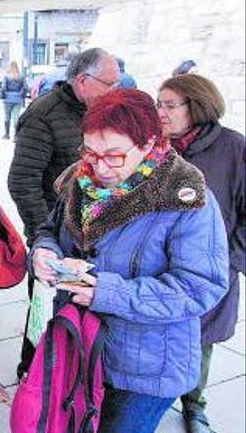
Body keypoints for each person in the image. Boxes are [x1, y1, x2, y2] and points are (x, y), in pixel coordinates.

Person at [30, 88, 228, 433]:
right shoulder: (83, 176)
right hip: (82, 345)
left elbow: (201, 287)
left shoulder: (186, 199)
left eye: (115, 156)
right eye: (90, 152)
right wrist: (44, 251)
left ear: (150, 142)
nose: (100, 166)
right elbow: (51, 228)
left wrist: (105, 292)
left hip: (144, 369)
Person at [8, 47, 120, 378]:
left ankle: (73, 378)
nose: (116, 90)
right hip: (56, 242)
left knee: (82, 313)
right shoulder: (44, 115)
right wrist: (45, 236)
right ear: (83, 81)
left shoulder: (104, 113)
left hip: (96, 240)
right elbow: (22, 180)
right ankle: (32, 375)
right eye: (110, 83)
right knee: (47, 313)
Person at [157, 74, 245, 433]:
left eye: (169, 105)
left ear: (197, 106)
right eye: (158, 103)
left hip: (211, 269)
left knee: (200, 340)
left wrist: (227, 261)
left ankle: (194, 406)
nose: (160, 112)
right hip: (157, 267)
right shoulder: (154, 146)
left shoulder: (234, 148)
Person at [1, 61, 28, 140]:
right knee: (16, 117)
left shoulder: (6, 76)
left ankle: (7, 134)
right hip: (18, 98)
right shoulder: (21, 76)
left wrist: (4, 95)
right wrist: (21, 95)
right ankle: (16, 136)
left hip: (8, 99)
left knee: (7, 116)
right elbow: (25, 87)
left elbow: (3, 87)